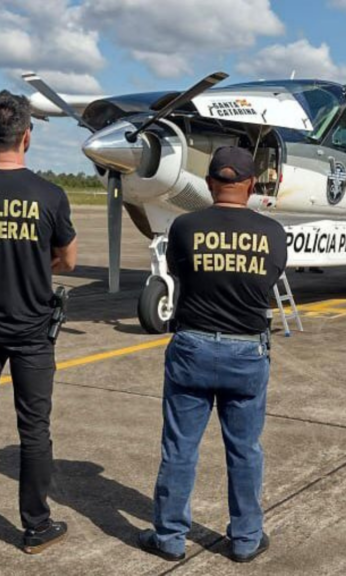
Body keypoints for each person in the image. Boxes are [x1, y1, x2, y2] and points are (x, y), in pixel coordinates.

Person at [138, 146, 287, 563]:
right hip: (246, 351)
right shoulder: (273, 232)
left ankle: (169, 536)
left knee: (180, 447)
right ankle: (245, 538)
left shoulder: (186, 227)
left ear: (209, 184)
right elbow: (270, 281)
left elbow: (181, 273)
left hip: (193, 346)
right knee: (244, 449)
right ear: (251, 184)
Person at [0, 90, 78, 557]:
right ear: (28, 135)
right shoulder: (50, 194)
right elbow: (67, 258)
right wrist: (33, 266)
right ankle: (35, 526)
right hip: (31, 329)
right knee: (34, 429)